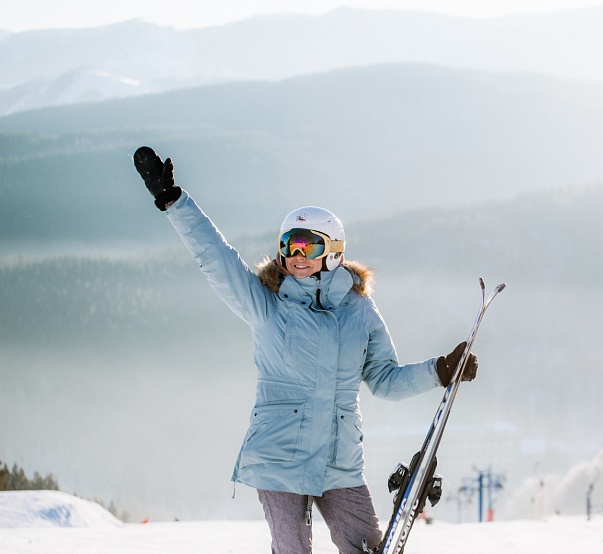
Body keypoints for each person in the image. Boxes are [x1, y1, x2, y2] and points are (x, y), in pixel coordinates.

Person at [132, 146, 478, 553]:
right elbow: (216, 258)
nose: (296, 256)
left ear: (333, 250)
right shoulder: (267, 304)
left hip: (339, 462)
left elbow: (384, 380)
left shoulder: (359, 311)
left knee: (367, 546)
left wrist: (439, 370)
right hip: (278, 458)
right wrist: (174, 202)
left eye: (308, 246)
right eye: (290, 245)